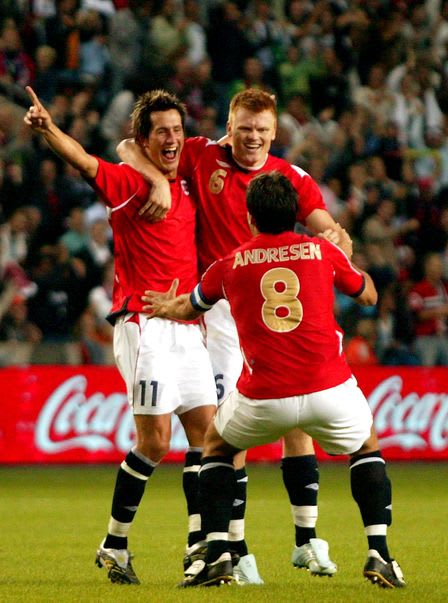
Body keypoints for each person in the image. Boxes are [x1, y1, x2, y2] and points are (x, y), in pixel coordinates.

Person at [118, 88, 345, 582]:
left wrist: (335, 237)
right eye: (245, 129)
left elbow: (329, 229)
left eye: (262, 130)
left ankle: (306, 539)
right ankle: (236, 549)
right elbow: (128, 147)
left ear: (275, 131)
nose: (253, 138)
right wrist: (155, 180)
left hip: (276, 315)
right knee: (230, 429)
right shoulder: (201, 155)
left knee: (298, 419)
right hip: (221, 313)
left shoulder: (290, 177)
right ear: (229, 127)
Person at [143, 171, 406, 589]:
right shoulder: (322, 251)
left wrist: (163, 306)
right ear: (295, 216)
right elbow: (369, 296)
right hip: (328, 389)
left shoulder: (228, 264)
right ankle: (380, 554)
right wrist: (347, 256)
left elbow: (190, 308)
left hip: (263, 397)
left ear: (249, 218)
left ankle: (218, 555)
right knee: (366, 445)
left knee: (216, 446)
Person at [23, 86, 218, 585]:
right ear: (146, 140)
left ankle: (198, 549)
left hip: (188, 325)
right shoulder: (130, 183)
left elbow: (134, 146)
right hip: (143, 324)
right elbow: (86, 161)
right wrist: (49, 130)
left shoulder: (189, 181)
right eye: (162, 132)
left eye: (177, 130)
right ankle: (115, 542)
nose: (172, 139)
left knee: (207, 436)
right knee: (155, 442)